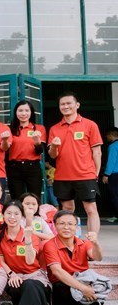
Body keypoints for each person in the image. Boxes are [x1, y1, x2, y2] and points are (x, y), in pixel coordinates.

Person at [0, 201, 51, 305]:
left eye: (16, 214)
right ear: (3, 215)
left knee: (31, 285)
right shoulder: (0, 236)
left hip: (34, 276)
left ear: (22, 217)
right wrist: (11, 273)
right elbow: (0, 260)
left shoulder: (30, 234)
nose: (12, 217)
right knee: (20, 285)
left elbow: (30, 260)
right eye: (8, 213)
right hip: (15, 278)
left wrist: (28, 240)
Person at [44, 210, 105, 305]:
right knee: (64, 287)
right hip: (61, 289)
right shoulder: (50, 245)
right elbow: (57, 271)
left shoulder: (83, 243)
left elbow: (97, 257)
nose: (66, 227)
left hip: (83, 282)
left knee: (101, 285)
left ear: (76, 227)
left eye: (70, 224)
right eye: (62, 223)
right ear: (55, 225)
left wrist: (96, 243)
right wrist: (83, 288)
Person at [49, 94, 103, 234]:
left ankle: (92, 242)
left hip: (86, 175)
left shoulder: (90, 125)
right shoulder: (54, 129)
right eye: (62, 104)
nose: (65, 106)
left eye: (69, 103)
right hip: (63, 176)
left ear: (77, 105)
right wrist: (54, 146)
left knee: (91, 209)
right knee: (67, 210)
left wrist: (95, 174)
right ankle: (69, 240)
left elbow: (97, 152)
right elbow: (52, 155)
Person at [6, 101, 47, 201]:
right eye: (20, 110)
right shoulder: (10, 129)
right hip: (14, 167)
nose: (23, 113)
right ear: (16, 112)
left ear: (31, 112)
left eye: (26, 110)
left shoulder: (39, 128)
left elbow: (40, 151)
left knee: (34, 199)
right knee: (16, 199)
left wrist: (37, 142)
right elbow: (5, 150)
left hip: (33, 167)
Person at [103, 127, 118, 222]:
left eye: (107, 135)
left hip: (115, 174)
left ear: (111, 135)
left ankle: (116, 215)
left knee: (114, 195)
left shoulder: (113, 146)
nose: (106, 137)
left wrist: (106, 174)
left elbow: (111, 161)